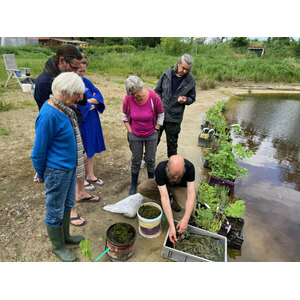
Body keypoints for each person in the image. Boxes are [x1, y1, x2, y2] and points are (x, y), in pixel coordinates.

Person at [34, 45, 99, 226]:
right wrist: (40, 172)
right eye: (75, 68)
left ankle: (77, 199)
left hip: (70, 156)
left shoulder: (67, 104)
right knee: (57, 204)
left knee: (70, 193)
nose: (80, 99)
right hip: (58, 165)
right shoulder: (48, 101)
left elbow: (82, 100)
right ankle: (60, 236)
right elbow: (41, 143)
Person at [31, 72, 86, 261]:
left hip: (69, 168)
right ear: (63, 91)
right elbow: (38, 151)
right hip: (57, 171)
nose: (79, 98)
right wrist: (40, 172)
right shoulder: (48, 115)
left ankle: (66, 237)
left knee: (68, 204)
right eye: (76, 94)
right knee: (54, 208)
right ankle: (58, 246)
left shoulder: (64, 108)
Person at [137, 155, 196, 244]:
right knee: (142, 188)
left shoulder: (190, 167)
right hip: (163, 186)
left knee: (190, 210)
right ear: (168, 166)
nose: (176, 177)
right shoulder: (160, 168)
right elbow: (164, 196)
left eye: (179, 174)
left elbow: (191, 193)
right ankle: (170, 198)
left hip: (180, 188)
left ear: (184, 166)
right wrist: (172, 226)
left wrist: (185, 220)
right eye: (174, 174)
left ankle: (175, 201)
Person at [122, 76, 164, 195]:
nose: (135, 96)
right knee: (136, 160)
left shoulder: (153, 97)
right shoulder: (128, 98)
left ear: (141, 88)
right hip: (135, 134)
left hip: (151, 134)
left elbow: (161, 114)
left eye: (137, 93)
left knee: (150, 160)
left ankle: (151, 184)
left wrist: (156, 128)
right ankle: (134, 184)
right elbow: (124, 116)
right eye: (132, 94)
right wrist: (130, 131)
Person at [155, 54, 196, 157]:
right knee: (154, 139)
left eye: (188, 69)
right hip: (160, 114)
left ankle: (172, 164)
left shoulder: (190, 81)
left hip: (174, 118)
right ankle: (147, 159)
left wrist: (186, 100)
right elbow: (157, 91)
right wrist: (160, 103)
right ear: (178, 64)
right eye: (183, 68)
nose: (185, 71)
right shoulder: (166, 74)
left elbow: (192, 98)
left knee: (172, 143)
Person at [76, 54, 106, 189]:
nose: (82, 73)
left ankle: (91, 174)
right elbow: (75, 102)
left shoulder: (86, 81)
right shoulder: (72, 83)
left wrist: (91, 101)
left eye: (84, 71)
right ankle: (81, 178)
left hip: (92, 120)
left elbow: (98, 95)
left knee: (91, 146)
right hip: (82, 120)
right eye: (79, 71)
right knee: (82, 149)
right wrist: (89, 103)